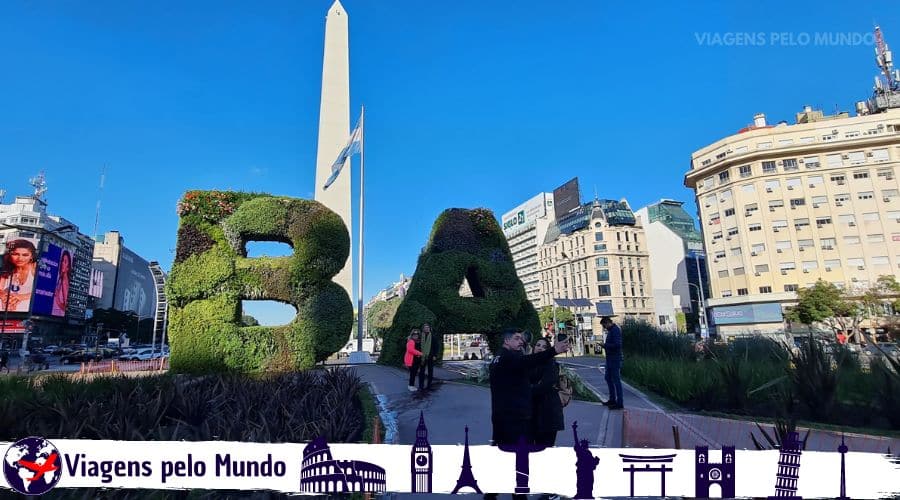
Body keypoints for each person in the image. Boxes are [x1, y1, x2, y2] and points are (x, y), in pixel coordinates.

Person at [489, 328, 569, 447]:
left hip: (508, 417)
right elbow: (527, 361)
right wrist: (553, 350)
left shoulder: (499, 357)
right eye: (516, 339)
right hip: (512, 419)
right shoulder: (508, 358)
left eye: (521, 339)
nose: (521, 342)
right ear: (506, 341)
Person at [530, 337, 564, 447]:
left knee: (545, 448)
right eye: (538, 345)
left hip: (548, 414)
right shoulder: (528, 362)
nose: (540, 348)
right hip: (532, 414)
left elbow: (544, 386)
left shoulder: (551, 364)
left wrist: (525, 389)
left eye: (544, 347)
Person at [0, 239, 37, 313]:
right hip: (8, 311)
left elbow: (43, 291)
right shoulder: (7, 268)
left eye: (25, 255)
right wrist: (5, 296)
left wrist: (20, 297)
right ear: (9, 255)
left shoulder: (35, 268)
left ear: (31, 256)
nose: (20, 259)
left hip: (29, 312)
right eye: (15, 254)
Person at [600, 316, 624, 409]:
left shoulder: (615, 330)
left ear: (607, 323)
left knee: (616, 380)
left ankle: (619, 402)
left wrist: (605, 345)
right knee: (608, 378)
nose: (604, 328)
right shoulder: (611, 331)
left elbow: (617, 345)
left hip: (615, 358)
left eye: (604, 325)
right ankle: (612, 399)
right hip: (610, 359)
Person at [52, 250, 72, 316]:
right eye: (62, 261)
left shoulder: (65, 282)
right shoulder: (60, 278)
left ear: (68, 267)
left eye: (65, 262)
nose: (63, 263)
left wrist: (57, 299)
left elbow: (66, 307)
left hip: (58, 314)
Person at [418, 323, 438, 390]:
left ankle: (429, 385)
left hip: (430, 356)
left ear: (430, 328)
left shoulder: (433, 336)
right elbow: (417, 345)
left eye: (427, 327)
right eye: (425, 327)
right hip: (422, 356)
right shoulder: (420, 336)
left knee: (430, 371)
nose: (426, 328)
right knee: (422, 371)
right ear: (423, 329)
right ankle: (421, 385)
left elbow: (436, 347)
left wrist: (435, 355)